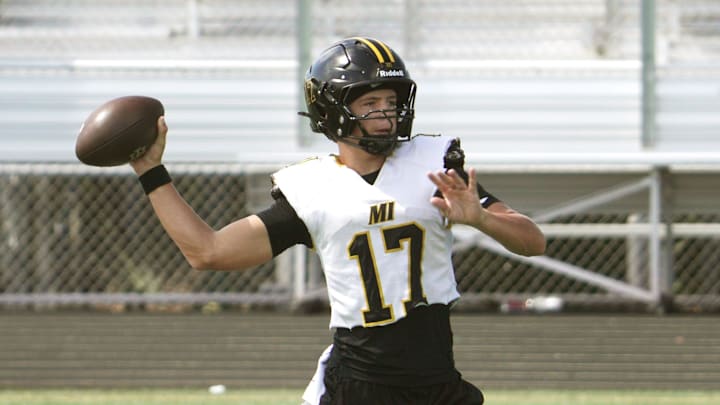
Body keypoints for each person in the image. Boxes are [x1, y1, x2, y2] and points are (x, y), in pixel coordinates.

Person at [130, 37, 546, 405]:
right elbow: (208, 251)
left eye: (391, 102)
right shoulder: (313, 188)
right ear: (332, 112)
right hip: (356, 385)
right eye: (370, 103)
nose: (386, 114)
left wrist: (480, 219)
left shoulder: (434, 169)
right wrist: (151, 172)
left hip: (436, 381)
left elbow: (533, 241)